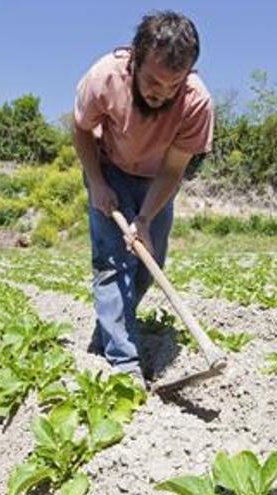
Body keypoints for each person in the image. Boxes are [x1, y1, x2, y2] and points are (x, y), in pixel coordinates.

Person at [72, 10, 214, 387]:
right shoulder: (104, 76)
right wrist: (98, 183)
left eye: (173, 85)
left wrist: (146, 219)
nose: (161, 93)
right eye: (153, 81)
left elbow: (174, 169)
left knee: (147, 265)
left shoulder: (197, 102)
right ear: (134, 58)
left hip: (156, 182)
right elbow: (82, 130)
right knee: (112, 263)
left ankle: (113, 326)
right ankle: (124, 365)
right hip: (110, 170)